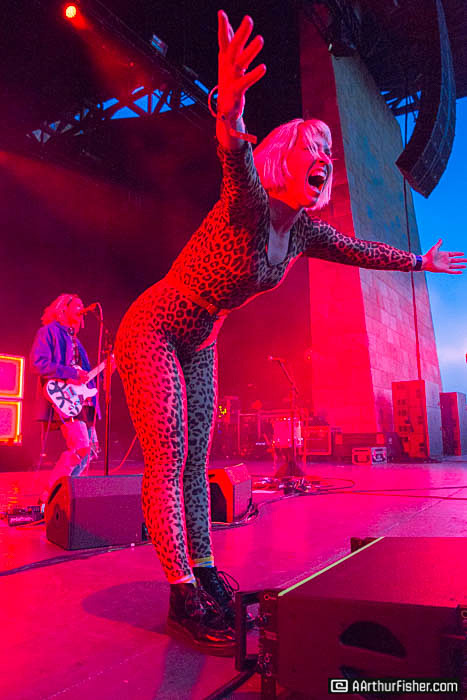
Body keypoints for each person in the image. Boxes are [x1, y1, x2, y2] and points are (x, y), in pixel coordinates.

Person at [114, 11, 466, 655]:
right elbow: (232, 154)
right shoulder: (250, 202)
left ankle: (202, 570)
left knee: (197, 463)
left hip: (202, 339)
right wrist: (228, 109)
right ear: (284, 156)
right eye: (316, 148)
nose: (327, 159)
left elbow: (360, 250)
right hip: (155, 326)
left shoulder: (303, 232)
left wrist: (421, 261)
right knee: (168, 456)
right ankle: (181, 593)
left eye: (331, 153)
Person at [30, 294, 99, 507]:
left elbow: (85, 376)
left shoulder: (76, 341)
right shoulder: (48, 332)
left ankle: (66, 497)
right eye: (77, 305)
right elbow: (38, 363)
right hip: (63, 397)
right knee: (80, 447)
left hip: (82, 400)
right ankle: (49, 498)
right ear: (62, 309)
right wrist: (71, 372)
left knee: (89, 451)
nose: (81, 308)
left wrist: (106, 370)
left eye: (82, 305)